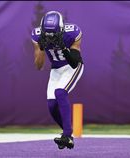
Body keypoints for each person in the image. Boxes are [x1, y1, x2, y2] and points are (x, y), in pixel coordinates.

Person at [31, 11, 84, 149]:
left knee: (60, 92)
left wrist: (64, 48)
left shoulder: (72, 33)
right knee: (51, 106)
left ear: (61, 30)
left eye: (54, 35)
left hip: (72, 66)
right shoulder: (37, 35)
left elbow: (74, 63)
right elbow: (39, 66)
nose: (51, 38)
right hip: (56, 69)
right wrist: (41, 48)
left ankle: (67, 133)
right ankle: (68, 138)